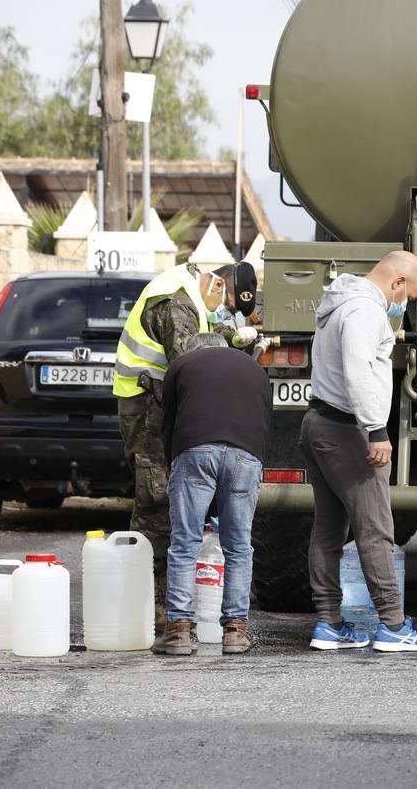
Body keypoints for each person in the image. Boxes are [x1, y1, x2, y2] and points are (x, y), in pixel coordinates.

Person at [302, 250, 417, 652]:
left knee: (329, 529)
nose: (407, 304)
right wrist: (376, 430)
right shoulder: (365, 311)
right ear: (397, 282)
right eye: (410, 295)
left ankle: (329, 623)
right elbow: (358, 370)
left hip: (318, 423)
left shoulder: (340, 301)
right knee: (376, 531)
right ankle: (394, 625)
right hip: (348, 429)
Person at [114, 261, 258, 628]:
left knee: (168, 501)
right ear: (218, 284)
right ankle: (151, 608)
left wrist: (229, 334)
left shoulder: (192, 298)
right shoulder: (177, 300)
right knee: (156, 501)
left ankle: (159, 606)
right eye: (226, 304)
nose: (223, 312)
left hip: (161, 404)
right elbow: (191, 361)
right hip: (146, 406)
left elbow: (200, 336)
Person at [151, 332, 271, 656]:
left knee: (185, 542)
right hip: (247, 454)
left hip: (194, 450)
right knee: (238, 546)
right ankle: (235, 632)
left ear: (194, 351)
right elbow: (263, 422)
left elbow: (169, 425)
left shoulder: (182, 364)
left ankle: (178, 633)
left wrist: (171, 466)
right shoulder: (254, 368)